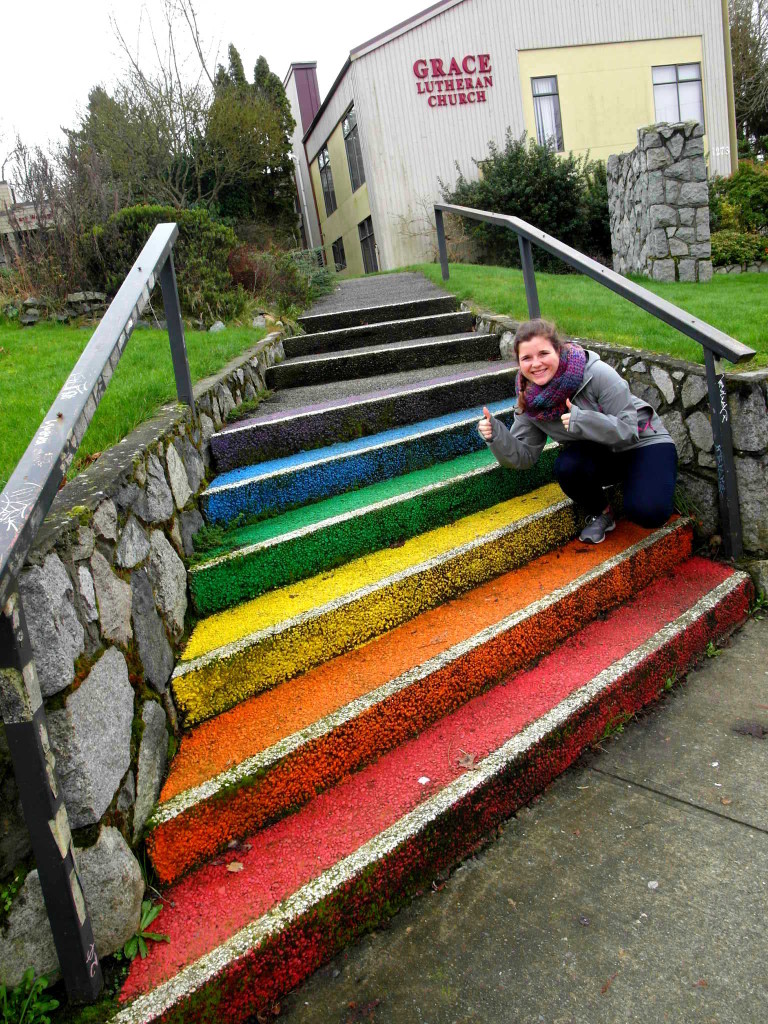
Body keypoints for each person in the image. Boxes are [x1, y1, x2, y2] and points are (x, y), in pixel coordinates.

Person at [478, 319, 677, 543]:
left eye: (543, 353)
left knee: (649, 511)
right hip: (603, 452)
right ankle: (602, 513)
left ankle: (646, 478)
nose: (536, 364)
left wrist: (582, 420)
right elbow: (524, 457)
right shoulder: (529, 399)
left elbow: (629, 431)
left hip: (644, 441)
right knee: (567, 466)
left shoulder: (595, 373)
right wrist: (496, 435)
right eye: (527, 358)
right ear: (519, 362)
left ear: (558, 350)